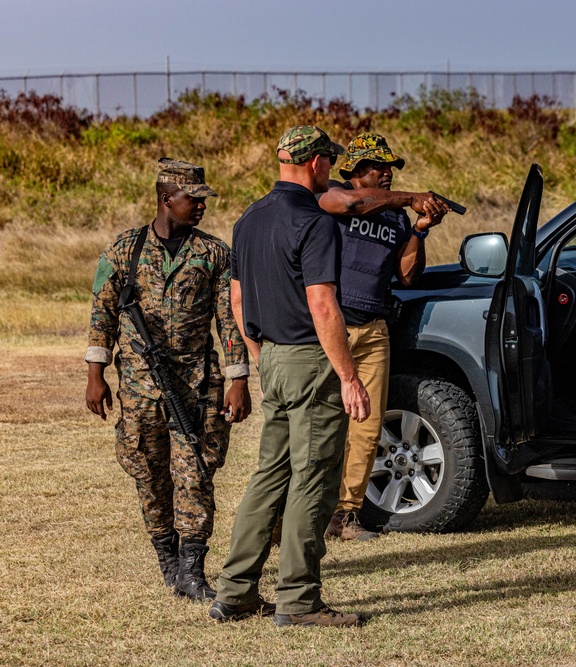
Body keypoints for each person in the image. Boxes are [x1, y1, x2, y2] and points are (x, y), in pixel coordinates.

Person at [210, 125, 372, 627]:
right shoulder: (315, 221)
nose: (330, 169)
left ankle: (235, 592)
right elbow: (322, 304)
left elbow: (237, 300)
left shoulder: (248, 220)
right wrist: (348, 375)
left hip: (275, 360)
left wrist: (262, 355)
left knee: (270, 474)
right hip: (311, 360)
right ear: (316, 163)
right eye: (329, 161)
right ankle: (299, 600)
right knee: (313, 478)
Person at [85, 158, 251, 602]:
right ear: (165, 199)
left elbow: (229, 320)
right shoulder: (123, 250)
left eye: (202, 200)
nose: (200, 207)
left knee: (195, 472)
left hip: (196, 385)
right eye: (191, 199)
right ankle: (169, 563)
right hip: (140, 387)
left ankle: (194, 571)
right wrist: (95, 375)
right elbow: (102, 312)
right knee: (150, 474)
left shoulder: (214, 253)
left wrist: (238, 379)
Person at [316, 132, 449, 542]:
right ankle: (296, 514)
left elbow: (407, 274)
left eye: (390, 167)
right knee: (318, 425)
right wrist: (411, 197)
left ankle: (346, 514)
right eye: (378, 166)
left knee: (368, 427)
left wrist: (420, 230)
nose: (387, 173)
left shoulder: (395, 217)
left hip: (374, 328)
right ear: (353, 171)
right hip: (328, 327)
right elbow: (353, 203)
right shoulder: (335, 198)